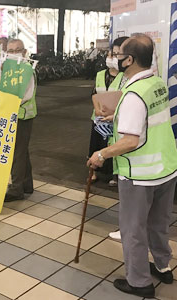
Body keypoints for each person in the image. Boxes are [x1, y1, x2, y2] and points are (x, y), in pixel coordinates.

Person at [87, 34, 177, 298]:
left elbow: (130, 141)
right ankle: (163, 266)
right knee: (159, 224)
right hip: (167, 169)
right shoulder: (155, 83)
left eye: (119, 54)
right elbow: (148, 119)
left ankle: (139, 282)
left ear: (129, 60)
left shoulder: (133, 93)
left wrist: (101, 155)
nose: (114, 57)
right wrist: (118, 115)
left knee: (132, 229)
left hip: (140, 175)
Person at [0, 39, 37, 202]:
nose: (13, 54)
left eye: (16, 50)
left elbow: (25, 96)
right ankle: (26, 185)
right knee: (22, 151)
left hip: (22, 115)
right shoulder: (7, 69)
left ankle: (16, 189)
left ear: (24, 51)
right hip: (12, 113)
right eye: (10, 51)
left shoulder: (27, 69)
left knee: (16, 152)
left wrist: (3, 106)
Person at [88, 36, 128, 187]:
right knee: (96, 144)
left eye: (117, 54)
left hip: (115, 119)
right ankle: (93, 172)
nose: (112, 58)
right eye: (111, 54)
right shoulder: (100, 74)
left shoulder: (125, 77)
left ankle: (115, 174)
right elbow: (94, 94)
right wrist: (98, 110)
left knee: (113, 146)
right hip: (98, 118)